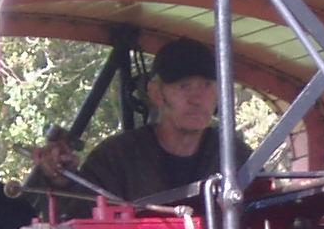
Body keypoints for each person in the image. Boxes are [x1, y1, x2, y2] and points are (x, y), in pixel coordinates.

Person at [78, 37, 252, 205]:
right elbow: (70, 216)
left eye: (206, 86)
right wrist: (56, 180)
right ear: (156, 93)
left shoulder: (236, 157)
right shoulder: (114, 160)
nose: (197, 99)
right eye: (184, 86)